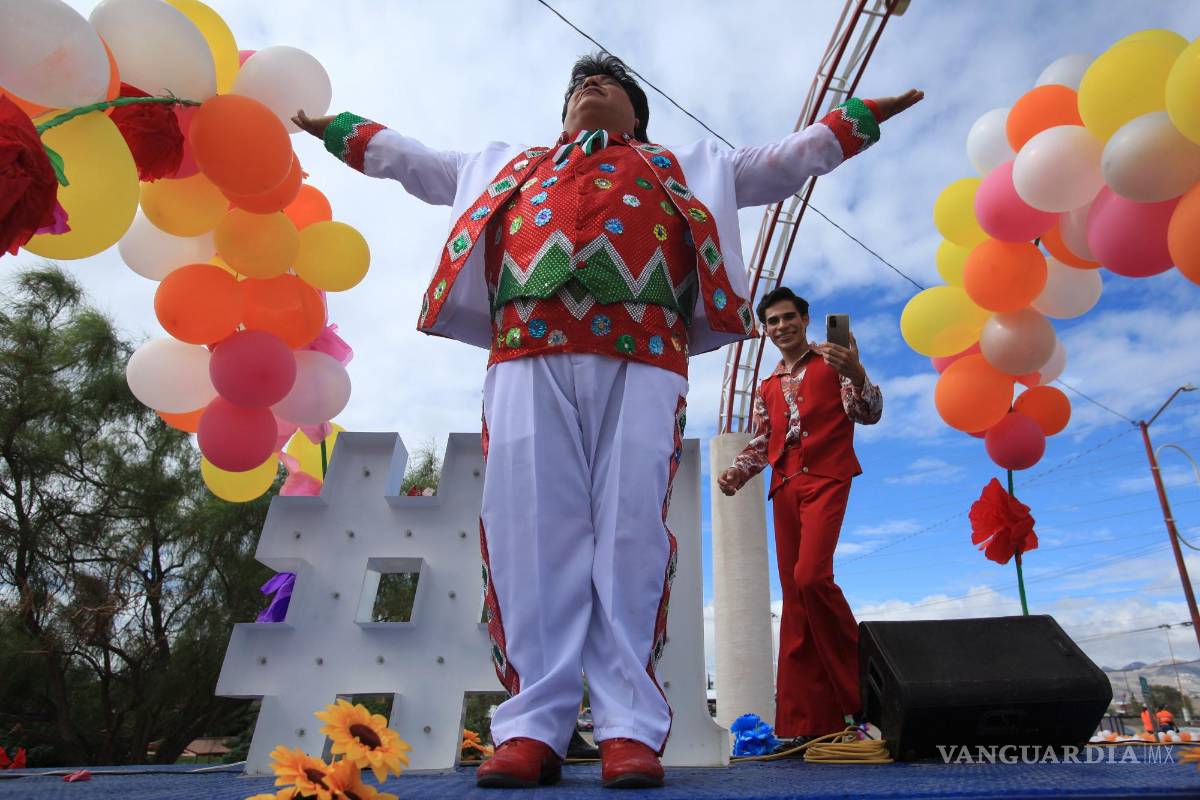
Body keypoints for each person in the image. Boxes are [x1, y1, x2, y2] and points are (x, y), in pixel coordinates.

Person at [295, 53, 919, 789]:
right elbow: (415, 162)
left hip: (648, 357)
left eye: (609, 84)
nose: (589, 88)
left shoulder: (693, 164)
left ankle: (627, 728)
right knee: (528, 529)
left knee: (630, 529)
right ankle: (532, 727)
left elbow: (785, 160)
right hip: (527, 351)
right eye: (579, 87)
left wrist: (862, 118)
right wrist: (333, 128)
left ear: (637, 112)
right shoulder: (504, 164)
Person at [718, 287, 882, 746]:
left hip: (827, 476)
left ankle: (867, 691)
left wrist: (857, 372)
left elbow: (866, 413)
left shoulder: (835, 360)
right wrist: (738, 472)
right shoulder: (766, 385)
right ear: (765, 330)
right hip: (785, 484)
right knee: (795, 599)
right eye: (772, 322)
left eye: (789, 317)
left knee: (812, 578)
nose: (781, 327)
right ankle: (805, 723)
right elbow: (762, 440)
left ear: (806, 319)